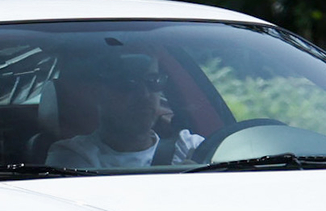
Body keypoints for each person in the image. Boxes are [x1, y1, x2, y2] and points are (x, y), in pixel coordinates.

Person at [45, 51, 206, 170]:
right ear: (97, 94)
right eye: (127, 84)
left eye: (153, 82)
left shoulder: (189, 146)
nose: (144, 95)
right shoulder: (73, 157)